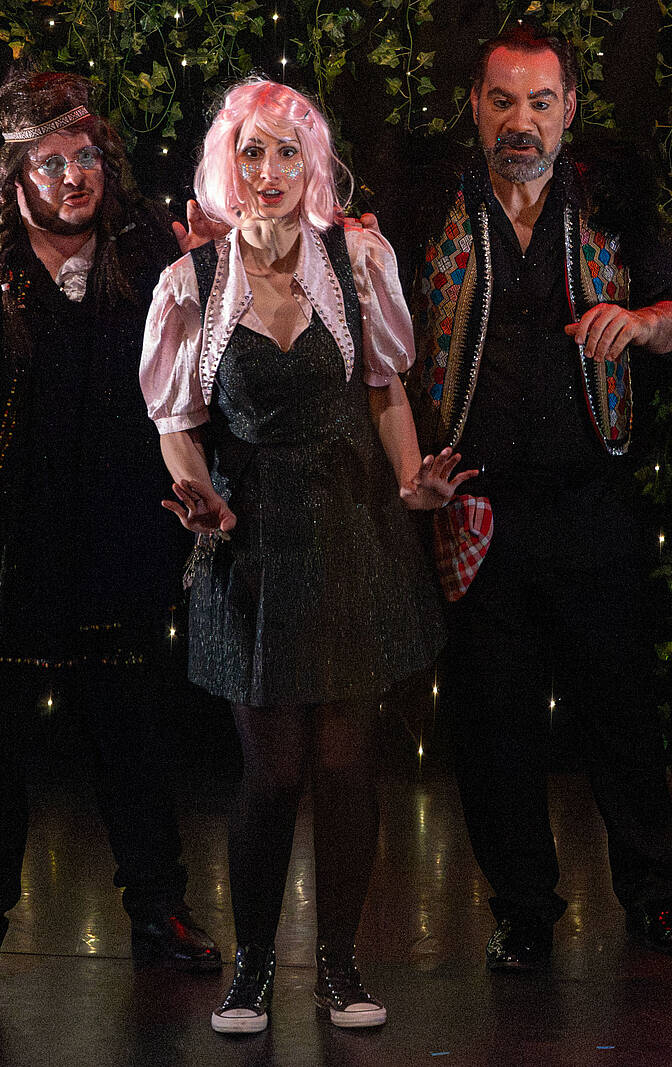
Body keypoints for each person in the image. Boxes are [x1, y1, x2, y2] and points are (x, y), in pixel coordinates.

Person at [0, 70, 222, 1010]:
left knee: (135, 738)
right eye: (53, 162)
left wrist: (216, 280)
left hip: (116, 537)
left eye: (87, 155)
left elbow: (204, 371)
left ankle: (159, 910)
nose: (76, 176)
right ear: (15, 172)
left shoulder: (147, 242)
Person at [140, 78, 468, 1035]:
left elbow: (387, 389)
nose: (271, 169)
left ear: (313, 164)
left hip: (351, 532)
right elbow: (174, 419)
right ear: (226, 164)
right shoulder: (193, 282)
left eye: (289, 151)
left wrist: (412, 481)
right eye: (252, 151)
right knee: (273, 771)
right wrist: (198, 493)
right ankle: (251, 969)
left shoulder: (356, 260)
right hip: (251, 543)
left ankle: (338, 966)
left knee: (347, 765)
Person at [405, 24, 672, 972]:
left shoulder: (610, 204)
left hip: (590, 505)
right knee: (494, 725)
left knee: (619, 709)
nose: (521, 121)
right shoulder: (432, 207)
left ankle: (655, 894)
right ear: (475, 106)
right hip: (478, 510)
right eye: (503, 101)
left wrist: (643, 321)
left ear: (570, 108)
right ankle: (523, 909)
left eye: (540, 102)